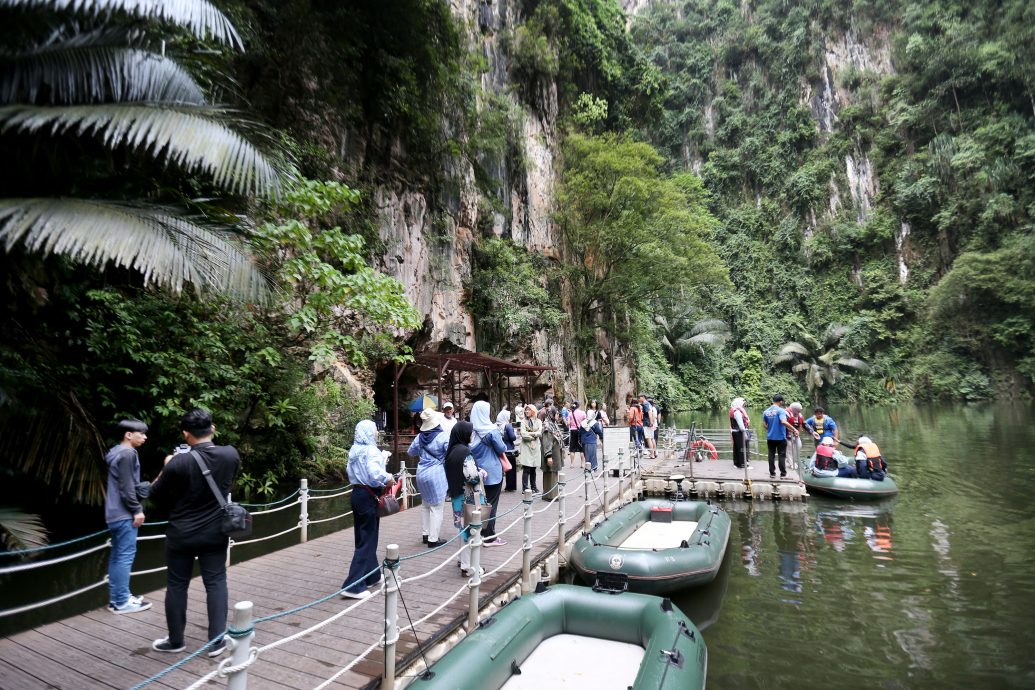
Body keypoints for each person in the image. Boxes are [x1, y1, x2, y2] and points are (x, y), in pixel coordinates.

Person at [149, 408, 241, 655]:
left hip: (181, 534)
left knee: (177, 585)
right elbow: (227, 483)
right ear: (212, 429)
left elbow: (152, 494)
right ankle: (216, 642)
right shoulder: (230, 454)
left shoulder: (178, 462)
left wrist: (166, 466)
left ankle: (176, 641)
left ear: (186, 434)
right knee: (216, 581)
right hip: (215, 532)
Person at [339, 419, 396, 599]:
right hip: (369, 495)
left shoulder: (354, 451)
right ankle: (353, 585)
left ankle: (372, 575)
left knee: (364, 537)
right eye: (374, 430)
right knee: (368, 539)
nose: (377, 432)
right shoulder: (371, 450)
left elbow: (353, 472)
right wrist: (388, 477)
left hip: (357, 494)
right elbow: (374, 474)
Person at [104, 419, 152, 615]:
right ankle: (122, 602)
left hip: (113, 512)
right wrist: (137, 510)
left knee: (117, 557)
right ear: (129, 435)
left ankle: (118, 598)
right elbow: (126, 487)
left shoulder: (115, 451)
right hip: (124, 513)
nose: (145, 437)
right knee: (124, 557)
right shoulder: (128, 453)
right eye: (141, 433)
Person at [443, 421, 483, 576]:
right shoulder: (465, 452)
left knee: (461, 528)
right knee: (470, 529)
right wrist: (481, 474)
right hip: (468, 496)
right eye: (470, 432)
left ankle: (462, 559)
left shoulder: (452, 450)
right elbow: (471, 476)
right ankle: (468, 566)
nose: (471, 434)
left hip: (456, 495)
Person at [408, 408, 449, 547]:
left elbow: (410, 452)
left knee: (425, 505)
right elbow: (450, 453)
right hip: (436, 474)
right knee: (436, 507)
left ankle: (425, 534)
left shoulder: (419, 437)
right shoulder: (442, 437)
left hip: (421, 473)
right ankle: (433, 539)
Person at [470, 400, 508, 546]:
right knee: (491, 505)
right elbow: (502, 448)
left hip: (477, 472)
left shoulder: (471, 431)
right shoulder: (491, 431)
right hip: (492, 473)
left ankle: (477, 532)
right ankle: (489, 537)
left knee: (478, 504)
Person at [762, 395, 798, 479]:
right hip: (780, 437)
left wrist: (770, 429)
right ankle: (783, 474)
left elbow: (764, 424)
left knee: (771, 455)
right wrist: (794, 429)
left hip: (770, 437)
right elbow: (783, 421)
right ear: (781, 401)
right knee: (781, 455)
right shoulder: (781, 411)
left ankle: (772, 473)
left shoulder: (766, 411)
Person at [538, 400, 563, 500]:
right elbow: (547, 442)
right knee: (550, 474)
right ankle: (550, 495)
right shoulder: (548, 426)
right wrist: (548, 456)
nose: (558, 416)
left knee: (553, 473)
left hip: (555, 453)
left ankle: (550, 494)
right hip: (551, 454)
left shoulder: (553, 424)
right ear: (551, 414)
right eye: (556, 413)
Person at [518, 404, 543, 492]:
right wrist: (533, 435)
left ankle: (534, 487)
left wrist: (532, 434)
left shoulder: (538, 421)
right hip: (526, 447)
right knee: (526, 468)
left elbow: (540, 433)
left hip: (535, 447)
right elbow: (523, 434)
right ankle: (525, 488)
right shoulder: (523, 422)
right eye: (526, 410)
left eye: (528, 410)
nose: (526, 411)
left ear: (533, 411)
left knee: (533, 468)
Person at [497, 409, 518, 491]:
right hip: (509, 449)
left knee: (502, 468)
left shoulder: (497, 425)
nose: (509, 418)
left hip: (501, 449)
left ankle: (499, 486)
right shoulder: (508, 426)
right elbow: (513, 437)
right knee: (510, 468)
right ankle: (510, 486)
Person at [580, 403, 604, 471]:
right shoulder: (595, 423)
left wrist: (580, 440)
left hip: (584, 441)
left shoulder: (582, 423)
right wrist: (602, 438)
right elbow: (599, 432)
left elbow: (580, 433)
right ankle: (593, 467)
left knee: (586, 455)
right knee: (592, 455)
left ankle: (587, 467)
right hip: (592, 441)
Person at [729, 397, 750, 469]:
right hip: (739, 432)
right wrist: (744, 434)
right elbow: (741, 425)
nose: (743, 405)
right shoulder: (737, 412)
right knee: (742, 449)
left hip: (735, 432)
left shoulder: (734, 410)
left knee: (736, 448)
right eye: (742, 404)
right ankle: (743, 465)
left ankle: (736, 463)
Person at [638, 395, 657, 459]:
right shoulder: (648, 404)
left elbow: (649, 413)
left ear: (643, 397)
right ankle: (654, 453)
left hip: (647, 423)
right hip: (650, 423)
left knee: (649, 438)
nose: (639, 399)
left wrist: (651, 422)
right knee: (652, 438)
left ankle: (652, 454)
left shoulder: (646, 404)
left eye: (639, 397)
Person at [568, 401, 585, 467]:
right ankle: (582, 464)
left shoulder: (570, 413)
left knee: (572, 448)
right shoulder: (583, 413)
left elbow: (568, 423)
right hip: (580, 430)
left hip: (573, 431)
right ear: (579, 406)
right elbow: (585, 422)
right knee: (581, 448)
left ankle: (572, 464)